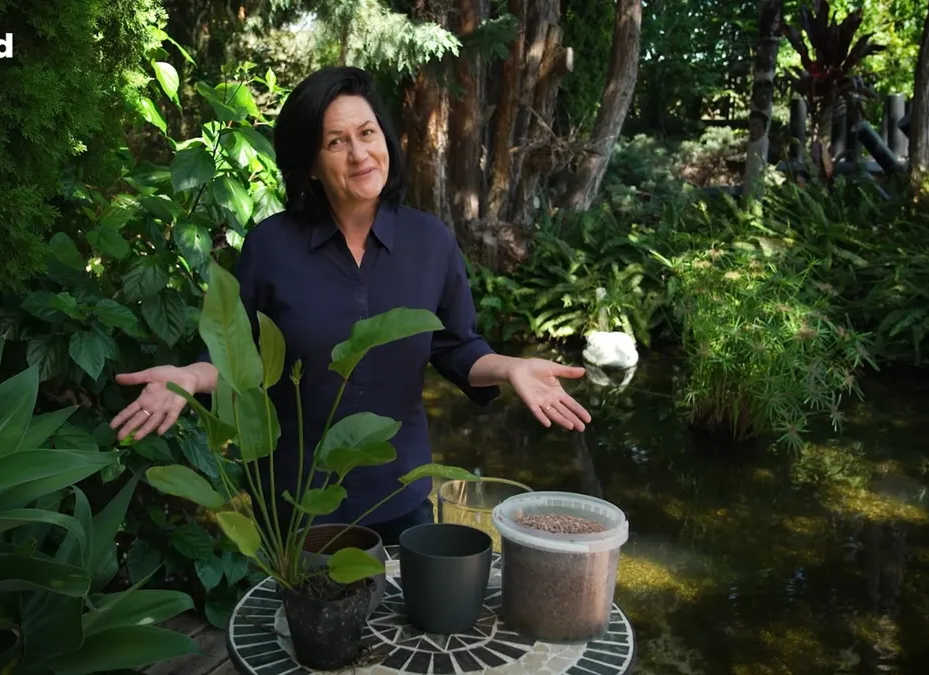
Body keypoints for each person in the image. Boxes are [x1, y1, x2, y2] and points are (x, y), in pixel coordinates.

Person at [110, 66, 591, 543]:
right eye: (335, 142)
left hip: (399, 496)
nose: (359, 154)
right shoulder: (271, 247)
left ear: (386, 139)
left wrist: (510, 368)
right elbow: (236, 356)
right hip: (298, 504)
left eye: (367, 133)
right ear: (311, 164)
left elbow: (455, 347)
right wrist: (189, 378)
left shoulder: (431, 242)